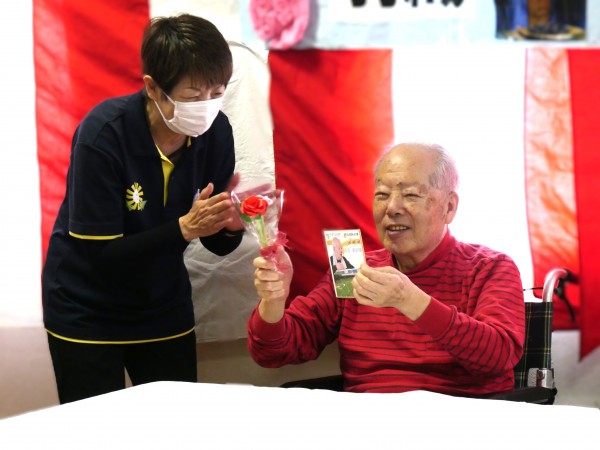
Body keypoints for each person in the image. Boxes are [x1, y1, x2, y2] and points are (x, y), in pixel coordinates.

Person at [42, 14, 245, 404]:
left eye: (217, 93)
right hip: (86, 307)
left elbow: (216, 242)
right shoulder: (103, 134)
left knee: (174, 420)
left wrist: (230, 226)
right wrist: (184, 229)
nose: (206, 107)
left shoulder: (216, 133)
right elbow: (101, 255)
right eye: (193, 97)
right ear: (153, 87)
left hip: (162, 305)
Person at [249, 142, 526, 396]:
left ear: (449, 207)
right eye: (382, 195)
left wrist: (409, 300)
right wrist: (274, 300)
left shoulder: (490, 267)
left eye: (411, 195)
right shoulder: (351, 264)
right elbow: (273, 353)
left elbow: (499, 357)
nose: (392, 208)